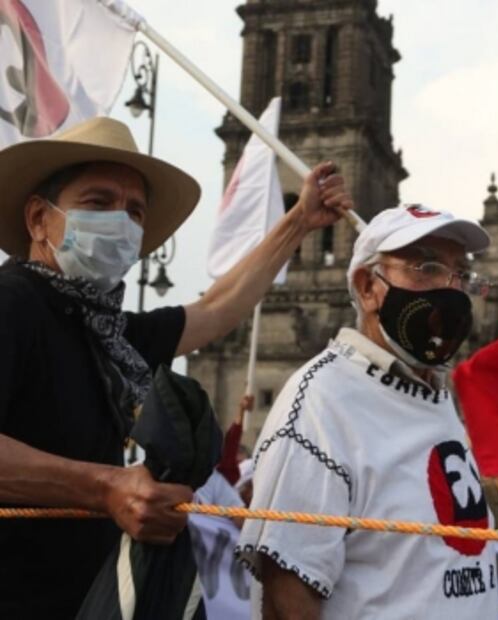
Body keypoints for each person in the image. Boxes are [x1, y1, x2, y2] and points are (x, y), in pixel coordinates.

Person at [0, 117, 351, 616]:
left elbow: (216, 309)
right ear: (39, 219)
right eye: (98, 203)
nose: (122, 222)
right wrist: (107, 486)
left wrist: (299, 222)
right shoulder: (13, 304)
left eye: (135, 211)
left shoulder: (110, 331)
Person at [238, 205, 498, 618]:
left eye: (461, 275)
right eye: (426, 267)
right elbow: (289, 600)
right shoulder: (321, 402)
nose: (451, 289)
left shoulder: (435, 393)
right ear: (367, 287)